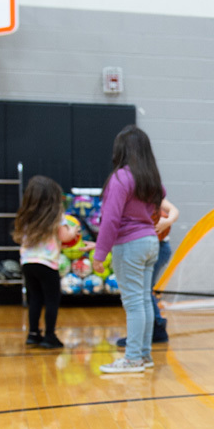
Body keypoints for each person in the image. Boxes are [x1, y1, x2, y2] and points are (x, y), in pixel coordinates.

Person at [92, 125, 164, 373]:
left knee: (134, 303)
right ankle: (143, 356)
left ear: (121, 150)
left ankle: (133, 358)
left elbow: (110, 219)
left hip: (130, 245)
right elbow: (158, 208)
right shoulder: (151, 178)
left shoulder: (121, 177)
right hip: (150, 241)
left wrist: (99, 253)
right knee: (143, 300)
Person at [13, 175, 88, 349]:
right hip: (47, 264)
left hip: (27, 263)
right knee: (52, 299)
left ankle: (33, 334)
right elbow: (65, 236)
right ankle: (49, 336)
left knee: (35, 298)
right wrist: (75, 228)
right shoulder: (56, 215)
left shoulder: (26, 215)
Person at [113, 197, 177, 347]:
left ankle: (156, 329)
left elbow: (174, 211)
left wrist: (167, 222)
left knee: (144, 292)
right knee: (144, 292)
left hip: (159, 247)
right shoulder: (130, 200)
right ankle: (151, 331)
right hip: (146, 246)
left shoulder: (152, 194)